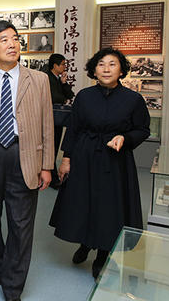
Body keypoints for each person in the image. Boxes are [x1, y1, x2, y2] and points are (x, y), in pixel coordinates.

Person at [0, 20, 54, 301]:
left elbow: (48, 124)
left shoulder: (38, 80)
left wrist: (47, 165)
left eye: (15, 38)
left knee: (21, 223)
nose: (12, 44)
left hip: (24, 154)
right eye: (4, 39)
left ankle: (13, 284)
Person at [49, 47, 150, 279]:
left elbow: (142, 129)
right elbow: (74, 128)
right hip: (84, 156)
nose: (106, 69)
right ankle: (85, 243)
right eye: (101, 64)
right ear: (94, 70)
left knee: (108, 207)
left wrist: (125, 138)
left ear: (121, 70)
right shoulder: (84, 96)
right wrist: (66, 159)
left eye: (112, 64)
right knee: (84, 201)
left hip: (115, 160)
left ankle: (103, 253)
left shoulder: (133, 99)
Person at [45, 54, 75, 188]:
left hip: (56, 119)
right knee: (50, 148)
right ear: (55, 65)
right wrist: (63, 99)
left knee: (55, 146)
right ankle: (53, 178)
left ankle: (53, 177)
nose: (64, 67)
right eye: (62, 64)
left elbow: (70, 95)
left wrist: (63, 83)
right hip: (49, 118)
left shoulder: (58, 78)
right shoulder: (47, 78)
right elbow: (54, 97)